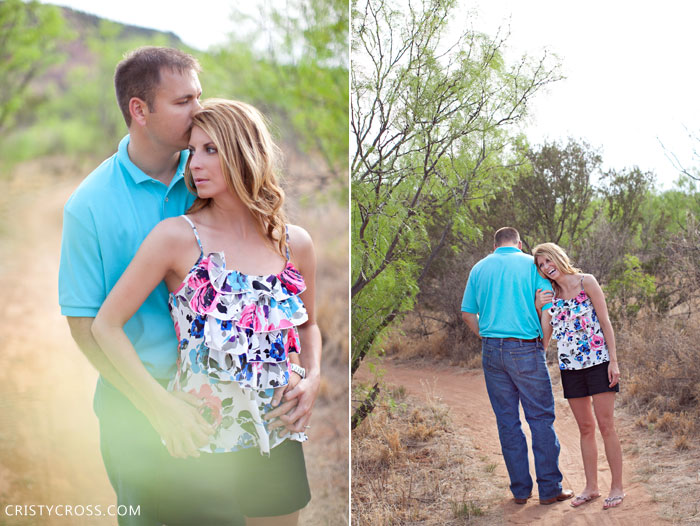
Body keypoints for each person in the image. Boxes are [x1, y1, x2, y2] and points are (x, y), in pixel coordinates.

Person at [59, 47, 316, 525]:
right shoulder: (89, 206)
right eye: (183, 101)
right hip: (137, 396)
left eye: (198, 96)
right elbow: (86, 326)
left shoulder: (205, 178)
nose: (197, 108)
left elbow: (284, 312)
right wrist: (155, 407)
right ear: (140, 110)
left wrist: (304, 371)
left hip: (240, 405)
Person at [460, 227, 573, 505]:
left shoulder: (479, 268)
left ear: (494, 244)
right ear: (519, 243)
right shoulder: (531, 264)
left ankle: (521, 491)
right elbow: (546, 311)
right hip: (525, 348)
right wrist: (543, 344)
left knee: (507, 422)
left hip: (491, 351)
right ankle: (549, 489)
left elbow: (466, 313)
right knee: (540, 419)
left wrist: (486, 337)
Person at [533, 242, 624, 510]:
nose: (547, 267)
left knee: (606, 425)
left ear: (558, 257)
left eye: (549, 260)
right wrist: (541, 308)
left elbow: (606, 323)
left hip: (598, 363)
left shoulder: (587, 282)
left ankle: (617, 487)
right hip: (570, 369)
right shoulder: (550, 295)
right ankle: (592, 487)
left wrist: (614, 362)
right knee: (586, 428)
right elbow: (544, 341)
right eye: (541, 265)